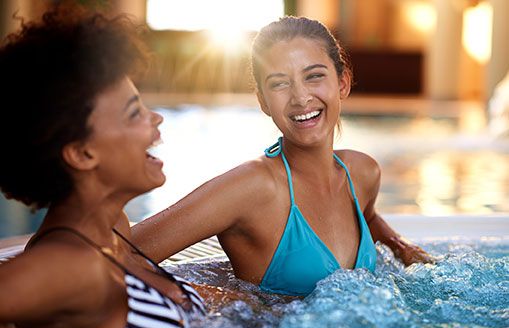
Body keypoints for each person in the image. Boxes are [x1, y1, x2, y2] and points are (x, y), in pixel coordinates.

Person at [132, 16, 433, 297]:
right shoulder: (252, 188)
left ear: (342, 83)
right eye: (279, 83)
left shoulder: (362, 173)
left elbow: (368, 216)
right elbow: (119, 253)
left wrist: (401, 246)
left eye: (314, 76)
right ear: (263, 101)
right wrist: (209, 299)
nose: (300, 98)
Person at [0, 5, 206, 328]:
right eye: (133, 113)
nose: (156, 118)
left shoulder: (112, 230)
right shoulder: (70, 265)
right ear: (82, 154)